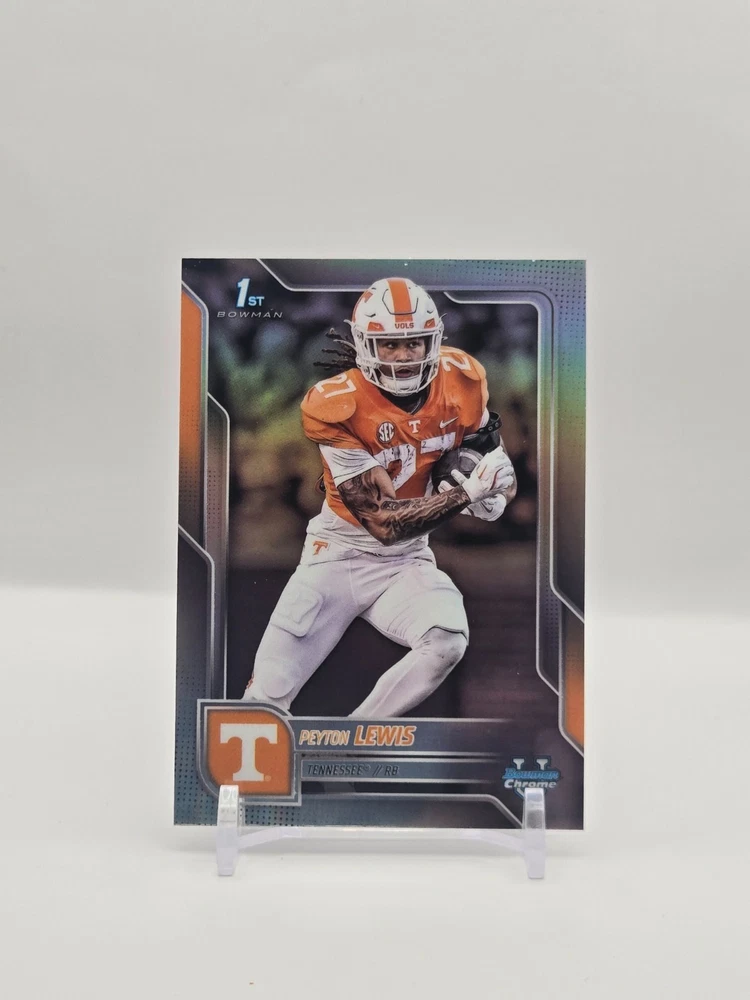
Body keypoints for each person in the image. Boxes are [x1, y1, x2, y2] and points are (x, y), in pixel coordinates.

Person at [242, 277, 516, 717]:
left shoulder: (462, 378)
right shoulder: (336, 404)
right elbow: (382, 522)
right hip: (338, 554)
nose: (404, 356)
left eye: (414, 343)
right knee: (265, 698)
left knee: (446, 639)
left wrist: (495, 493)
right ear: (365, 345)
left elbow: (495, 463)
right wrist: (466, 494)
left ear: (434, 340)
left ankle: (357, 739)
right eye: (390, 345)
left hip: (407, 561)